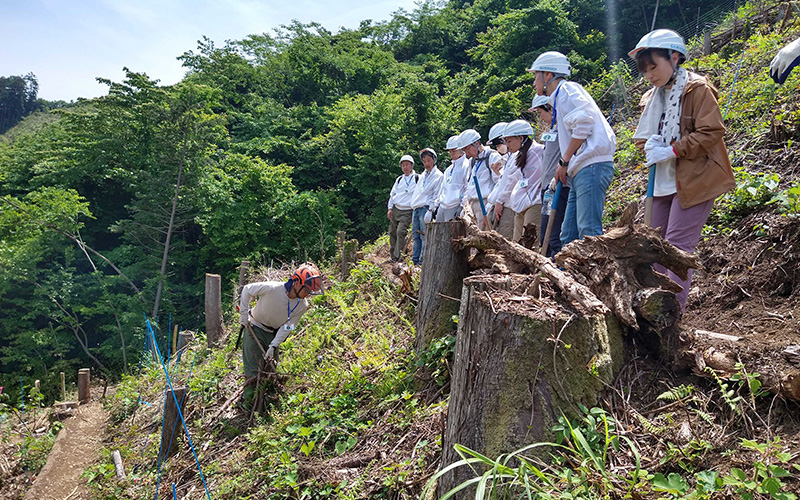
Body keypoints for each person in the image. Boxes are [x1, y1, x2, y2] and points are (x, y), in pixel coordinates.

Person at [630, 29, 735, 312]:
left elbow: (711, 131)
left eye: (654, 67)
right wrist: (649, 147)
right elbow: (644, 138)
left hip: (695, 178)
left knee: (676, 250)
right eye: (645, 70)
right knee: (654, 247)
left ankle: (671, 316)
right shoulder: (651, 98)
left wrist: (674, 149)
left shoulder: (697, 89)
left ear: (674, 58)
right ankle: (653, 310)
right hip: (662, 181)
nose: (650, 75)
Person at [528, 51, 616, 247]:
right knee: (568, 236)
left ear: (548, 75)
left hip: (591, 166)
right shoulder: (561, 97)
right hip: (580, 169)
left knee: (588, 230)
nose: (534, 83)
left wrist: (564, 161)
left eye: (536, 76)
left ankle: (595, 275)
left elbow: (584, 123)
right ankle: (569, 275)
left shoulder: (567, 90)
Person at [238, 263, 323, 406]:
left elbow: (289, 326)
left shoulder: (302, 305)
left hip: (273, 333)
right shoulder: (273, 288)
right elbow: (247, 290)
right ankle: (247, 403)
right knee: (253, 369)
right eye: (306, 290)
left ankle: (269, 403)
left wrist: (274, 345)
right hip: (255, 327)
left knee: (271, 370)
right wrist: (243, 315)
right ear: (296, 283)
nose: (308, 294)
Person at [529, 94, 570, 256]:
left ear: (551, 109)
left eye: (541, 112)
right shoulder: (553, 130)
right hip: (548, 189)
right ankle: (547, 267)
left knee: (554, 234)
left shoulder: (564, 129)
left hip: (560, 186)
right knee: (545, 232)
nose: (540, 117)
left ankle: (556, 267)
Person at [503, 119, 544, 244]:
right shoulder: (519, 155)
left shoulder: (539, 151)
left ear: (521, 138)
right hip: (520, 204)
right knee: (516, 243)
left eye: (509, 141)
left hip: (534, 202)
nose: (507, 145)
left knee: (530, 243)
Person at [460, 128, 501, 230]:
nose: (467, 153)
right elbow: (469, 184)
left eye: (468, 149)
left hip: (485, 203)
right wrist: (465, 204)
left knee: (484, 238)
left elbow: (499, 182)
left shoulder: (492, 156)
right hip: (472, 204)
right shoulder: (472, 162)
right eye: (464, 150)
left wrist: (491, 204)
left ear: (477, 143)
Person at [410, 148, 444, 265]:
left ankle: (423, 261)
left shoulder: (438, 175)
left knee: (425, 236)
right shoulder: (422, 175)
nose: (426, 163)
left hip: (426, 207)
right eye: (424, 161)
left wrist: (431, 210)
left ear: (434, 160)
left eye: (429, 160)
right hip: (416, 207)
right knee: (416, 236)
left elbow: (437, 194)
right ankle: (415, 260)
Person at [485, 122, 517, 238]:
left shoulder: (517, 156)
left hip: (507, 206)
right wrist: (498, 173)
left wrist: (500, 200)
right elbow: (504, 181)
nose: (497, 148)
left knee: (505, 239)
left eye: (498, 144)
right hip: (499, 204)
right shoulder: (508, 157)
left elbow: (511, 181)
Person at [431, 135, 471, 222]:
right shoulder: (448, 169)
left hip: (455, 205)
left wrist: (462, 206)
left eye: (453, 150)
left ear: (461, 149)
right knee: (438, 233)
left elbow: (467, 187)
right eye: (449, 151)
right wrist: (435, 206)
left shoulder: (467, 165)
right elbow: (442, 189)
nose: (451, 153)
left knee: (451, 234)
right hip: (443, 206)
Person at [387, 155, 418, 262]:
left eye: (407, 165)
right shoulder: (399, 179)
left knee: (401, 232)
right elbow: (393, 194)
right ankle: (392, 255)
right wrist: (390, 208)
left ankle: (397, 256)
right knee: (392, 232)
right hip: (396, 209)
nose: (405, 167)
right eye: (403, 165)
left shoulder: (417, 178)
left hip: (407, 210)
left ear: (411, 166)